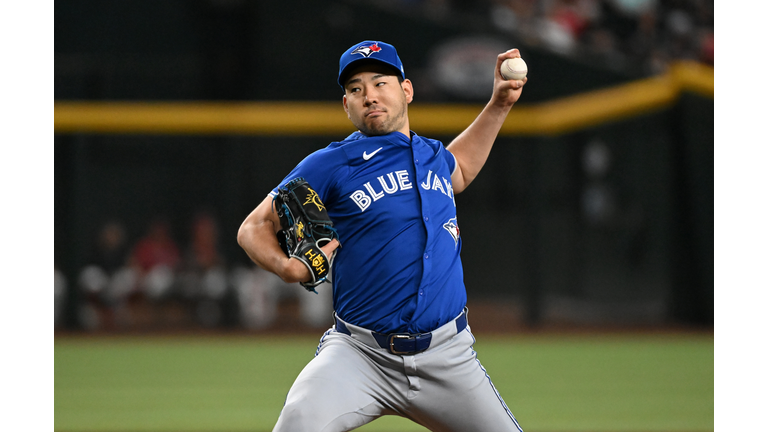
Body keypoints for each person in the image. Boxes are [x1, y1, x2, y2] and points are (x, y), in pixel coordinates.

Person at [237, 40, 527, 432]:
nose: (369, 96)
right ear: (346, 105)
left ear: (406, 90)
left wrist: (499, 105)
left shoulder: (432, 156)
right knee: (299, 422)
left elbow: (459, 172)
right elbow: (253, 227)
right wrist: (286, 267)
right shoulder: (332, 162)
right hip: (360, 354)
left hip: (448, 356)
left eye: (379, 83)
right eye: (355, 89)